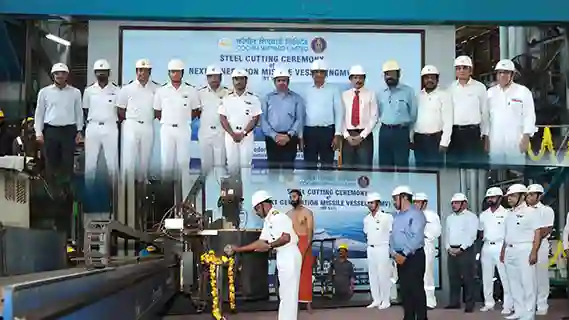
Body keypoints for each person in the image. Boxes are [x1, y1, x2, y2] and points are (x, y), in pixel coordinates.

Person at [229, 190, 301, 320]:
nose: (256, 213)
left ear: (263, 205)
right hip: (282, 255)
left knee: (289, 295)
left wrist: (269, 246)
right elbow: (260, 242)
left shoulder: (278, 217)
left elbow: (286, 238)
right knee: (284, 294)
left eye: (257, 209)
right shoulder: (268, 220)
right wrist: (238, 249)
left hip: (290, 255)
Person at [34, 62, 83, 196]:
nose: (59, 76)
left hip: (68, 131)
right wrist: (38, 132)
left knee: (67, 162)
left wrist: (79, 131)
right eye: (57, 73)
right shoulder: (44, 92)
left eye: (62, 73)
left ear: (67, 75)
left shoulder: (75, 92)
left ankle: (66, 193)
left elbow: (79, 112)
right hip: (51, 131)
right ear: (53, 75)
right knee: (51, 162)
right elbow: (39, 113)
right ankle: (52, 193)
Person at [154, 59, 200, 194]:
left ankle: (185, 196)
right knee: (167, 163)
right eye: (172, 72)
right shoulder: (161, 91)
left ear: (182, 73)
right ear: (169, 73)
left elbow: (196, 110)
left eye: (178, 72)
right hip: (167, 129)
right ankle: (166, 196)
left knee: (184, 163)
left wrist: (183, 119)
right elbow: (157, 111)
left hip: (184, 128)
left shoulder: (190, 90)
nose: (175, 74)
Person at [219, 69, 261, 210]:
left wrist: (243, 133)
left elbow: (255, 118)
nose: (238, 81)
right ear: (232, 81)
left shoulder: (253, 98)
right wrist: (232, 134)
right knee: (232, 167)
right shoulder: (226, 98)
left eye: (241, 79)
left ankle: (247, 200)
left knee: (245, 167)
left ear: (246, 80)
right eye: (236, 79)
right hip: (230, 137)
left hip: (246, 137)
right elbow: (222, 118)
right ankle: (233, 200)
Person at [500, 183, 541, 320]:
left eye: (512, 196)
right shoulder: (509, 213)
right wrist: (503, 251)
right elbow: (507, 235)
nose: (509, 198)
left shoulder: (532, 212)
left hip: (525, 249)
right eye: (508, 196)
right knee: (514, 283)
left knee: (528, 283)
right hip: (510, 250)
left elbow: (537, 233)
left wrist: (534, 252)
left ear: (522, 196)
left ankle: (529, 314)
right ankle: (519, 311)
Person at [487, 59, 536, 166]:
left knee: (516, 173)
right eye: (500, 72)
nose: (503, 75)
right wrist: (486, 138)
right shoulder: (490, 93)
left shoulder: (523, 92)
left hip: (516, 140)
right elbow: (486, 118)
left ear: (512, 75)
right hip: (496, 141)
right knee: (496, 174)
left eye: (506, 72)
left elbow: (529, 115)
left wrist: (526, 137)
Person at [117, 58, 159, 182]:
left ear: (149, 72)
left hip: (147, 125)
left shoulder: (157, 89)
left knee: (145, 157)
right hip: (131, 125)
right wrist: (132, 118)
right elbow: (120, 109)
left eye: (144, 70)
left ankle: (143, 180)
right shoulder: (127, 88)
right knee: (129, 157)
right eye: (139, 70)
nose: (141, 73)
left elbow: (159, 109)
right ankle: (126, 181)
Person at [389, 186, 427, 320]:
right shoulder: (397, 216)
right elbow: (392, 236)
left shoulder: (416, 214)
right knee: (405, 290)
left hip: (413, 256)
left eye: (395, 199)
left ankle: (422, 317)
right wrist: (393, 252)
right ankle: (408, 317)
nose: (394, 202)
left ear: (404, 197)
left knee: (416, 289)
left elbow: (416, 237)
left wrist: (404, 253)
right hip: (400, 257)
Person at [446, 55, 488, 165]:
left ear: (470, 70)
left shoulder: (480, 88)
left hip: (473, 134)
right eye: (458, 68)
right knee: (454, 166)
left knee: (474, 166)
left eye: (465, 67)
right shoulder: (450, 89)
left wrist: (485, 136)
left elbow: (485, 113)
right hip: (454, 134)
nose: (461, 71)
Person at [83, 59, 119, 182]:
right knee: (90, 163)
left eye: (104, 71)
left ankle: (115, 195)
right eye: (99, 71)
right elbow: (85, 110)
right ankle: (89, 194)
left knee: (112, 163)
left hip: (110, 127)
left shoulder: (117, 90)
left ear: (109, 73)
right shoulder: (88, 91)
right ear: (95, 73)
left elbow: (119, 110)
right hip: (93, 127)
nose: (101, 74)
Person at [301, 60, 343, 168]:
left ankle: (326, 185)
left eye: (322, 72)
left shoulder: (334, 89)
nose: (319, 75)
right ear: (311, 74)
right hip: (309, 132)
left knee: (327, 165)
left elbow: (339, 111)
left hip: (327, 132)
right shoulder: (305, 90)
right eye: (316, 72)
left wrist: (337, 134)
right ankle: (309, 185)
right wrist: (300, 135)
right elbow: (301, 114)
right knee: (309, 166)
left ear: (326, 74)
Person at [478, 186, 512, 314]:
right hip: (486, 246)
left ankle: (508, 304)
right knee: (486, 277)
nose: (490, 200)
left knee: (505, 277)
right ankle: (488, 303)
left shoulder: (507, 213)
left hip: (501, 246)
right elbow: (481, 232)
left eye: (493, 197)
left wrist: (504, 248)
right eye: (488, 198)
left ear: (499, 198)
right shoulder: (483, 215)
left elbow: (509, 233)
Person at [261, 68, 304, 171]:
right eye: (278, 80)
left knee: (288, 171)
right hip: (272, 138)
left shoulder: (296, 98)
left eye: (284, 80)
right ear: (274, 82)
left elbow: (299, 119)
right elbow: (263, 119)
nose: (281, 83)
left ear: (288, 82)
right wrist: (274, 135)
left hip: (290, 138)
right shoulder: (267, 98)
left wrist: (289, 135)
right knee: (273, 170)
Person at [378, 60, 417, 169]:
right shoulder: (380, 93)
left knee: (402, 167)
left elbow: (413, 115)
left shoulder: (408, 91)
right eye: (386, 74)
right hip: (385, 132)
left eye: (392, 73)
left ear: (398, 74)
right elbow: (379, 112)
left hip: (401, 133)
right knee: (384, 168)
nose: (389, 77)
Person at [413, 65, 453, 168]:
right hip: (419, 140)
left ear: (437, 79)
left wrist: (444, 142)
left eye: (432, 77)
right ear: (423, 80)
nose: (429, 80)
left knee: (435, 174)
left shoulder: (444, 95)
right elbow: (413, 119)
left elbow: (448, 121)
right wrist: (411, 139)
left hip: (436, 140)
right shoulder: (417, 96)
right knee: (421, 172)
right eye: (426, 77)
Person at [444, 192, 478, 312]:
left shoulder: (471, 217)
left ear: (464, 204)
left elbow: (472, 235)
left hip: (465, 250)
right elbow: (447, 234)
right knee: (453, 277)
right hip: (452, 250)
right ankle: (454, 302)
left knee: (468, 278)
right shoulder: (450, 218)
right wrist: (448, 248)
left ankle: (469, 304)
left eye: (457, 203)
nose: (454, 205)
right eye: (452, 203)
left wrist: (461, 248)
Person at [340, 65, 378, 168]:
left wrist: (362, 136)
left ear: (364, 79)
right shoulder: (344, 95)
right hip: (348, 137)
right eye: (355, 78)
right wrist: (347, 136)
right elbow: (340, 118)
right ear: (350, 79)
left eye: (361, 77)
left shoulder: (371, 94)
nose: (358, 80)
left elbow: (374, 117)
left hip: (365, 136)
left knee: (364, 170)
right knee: (347, 170)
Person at [526, 183, 554, 315]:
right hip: (525, 245)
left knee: (541, 276)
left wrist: (533, 238)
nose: (529, 197)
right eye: (528, 195)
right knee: (528, 277)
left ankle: (542, 305)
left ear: (539, 196)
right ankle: (529, 304)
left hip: (541, 245)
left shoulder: (546, 210)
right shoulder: (524, 210)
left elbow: (545, 230)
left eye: (532, 194)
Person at [197, 65, 230, 179]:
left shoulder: (228, 93)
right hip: (205, 133)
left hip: (221, 133)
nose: (214, 79)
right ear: (207, 78)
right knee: (206, 166)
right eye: (211, 76)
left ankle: (221, 194)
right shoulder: (200, 93)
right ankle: (206, 193)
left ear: (221, 77)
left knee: (220, 166)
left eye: (216, 76)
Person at [363, 191, 393, 309]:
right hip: (371, 248)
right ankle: (376, 299)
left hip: (383, 247)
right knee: (373, 275)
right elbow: (366, 234)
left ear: (378, 203)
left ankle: (386, 300)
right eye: (368, 203)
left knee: (383, 275)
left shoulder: (387, 217)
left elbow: (391, 234)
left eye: (372, 203)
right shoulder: (366, 219)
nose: (370, 205)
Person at [286, 189, 314, 312]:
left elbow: (310, 231)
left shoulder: (307, 212)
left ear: (300, 197)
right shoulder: (288, 214)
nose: (293, 199)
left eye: (294, 196)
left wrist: (305, 246)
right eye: (291, 197)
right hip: (292, 243)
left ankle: (308, 303)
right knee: (292, 274)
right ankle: (293, 303)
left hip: (304, 243)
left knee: (306, 275)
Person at [413, 192, 441, 309]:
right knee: (414, 275)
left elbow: (437, 232)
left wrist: (423, 235)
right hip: (413, 247)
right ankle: (417, 301)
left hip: (426, 245)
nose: (416, 204)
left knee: (427, 274)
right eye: (414, 202)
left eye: (418, 202)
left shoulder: (432, 215)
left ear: (425, 203)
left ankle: (430, 301)